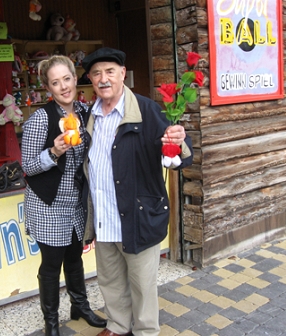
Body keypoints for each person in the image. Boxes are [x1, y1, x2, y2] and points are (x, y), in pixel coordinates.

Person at [81, 47, 194, 336]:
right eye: (96, 74)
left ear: (122, 74)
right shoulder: (89, 117)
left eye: (109, 72)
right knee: (110, 280)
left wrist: (179, 142)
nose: (103, 79)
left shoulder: (146, 110)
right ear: (91, 81)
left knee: (142, 285)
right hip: (105, 216)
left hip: (138, 216)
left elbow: (178, 157)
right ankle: (118, 326)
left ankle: (145, 331)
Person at [21, 55, 107, 336]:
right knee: (51, 264)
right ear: (48, 88)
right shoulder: (40, 119)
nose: (63, 87)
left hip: (76, 202)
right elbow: (28, 167)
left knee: (75, 257)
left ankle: (80, 306)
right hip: (47, 204)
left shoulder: (84, 113)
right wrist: (54, 153)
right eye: (55, 83)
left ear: (74, 77)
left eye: (67, 79)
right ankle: (51, 322)